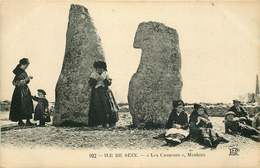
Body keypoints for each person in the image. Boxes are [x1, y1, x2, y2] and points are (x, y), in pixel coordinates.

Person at [88, 61, 119, 128]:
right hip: (96, 93)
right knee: (98, 108)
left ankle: (109, 122)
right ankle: (99, 123)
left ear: (103, 68)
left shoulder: (106, 74)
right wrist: (95, 80)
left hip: (105, 92)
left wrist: (105, 79)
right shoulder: (93, 75)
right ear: (96, 68)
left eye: (101, 68)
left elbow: (109, 83)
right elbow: (91, 84)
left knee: (108, 107)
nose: (99, 70)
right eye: (98, 68)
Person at [9, 58, 34, 126]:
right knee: (20, 105)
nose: (27, 66)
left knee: (27, 105)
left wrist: (27, 79)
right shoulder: (18, 72)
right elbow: (15, 83)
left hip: (25, 90)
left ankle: (28, 121)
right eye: (26, 65)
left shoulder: (23, 71)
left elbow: (25, 81)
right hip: (19, 92)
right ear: (22, 64)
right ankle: (20, 121)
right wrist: (26, 79)